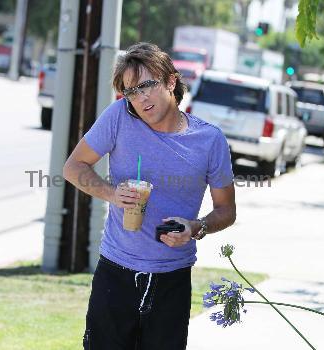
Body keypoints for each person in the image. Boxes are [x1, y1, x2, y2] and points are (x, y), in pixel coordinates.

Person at [63, 42, 236, 350]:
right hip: (115, 274)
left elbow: (226, 210)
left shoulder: (210, 141)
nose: (139, 99)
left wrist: (195, 228)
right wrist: (112, 194)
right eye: (131, 91)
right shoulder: (119, 117)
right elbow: (74, 167)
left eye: (146, 86)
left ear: (171, 81)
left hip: (172, 280)